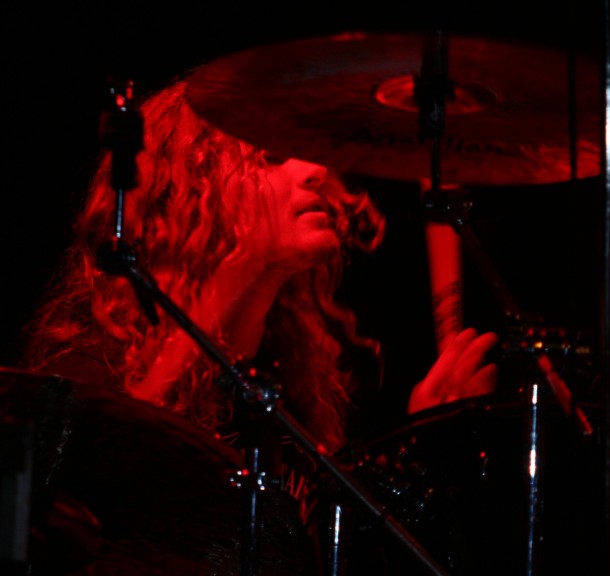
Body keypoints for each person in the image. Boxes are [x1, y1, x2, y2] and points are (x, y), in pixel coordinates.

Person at [17, 77, 500, 574]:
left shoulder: (284, 406)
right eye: (272, 157)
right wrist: (230, 274)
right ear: (196, 187)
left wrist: (419, 442)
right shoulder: (89, 384)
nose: (317, 171)